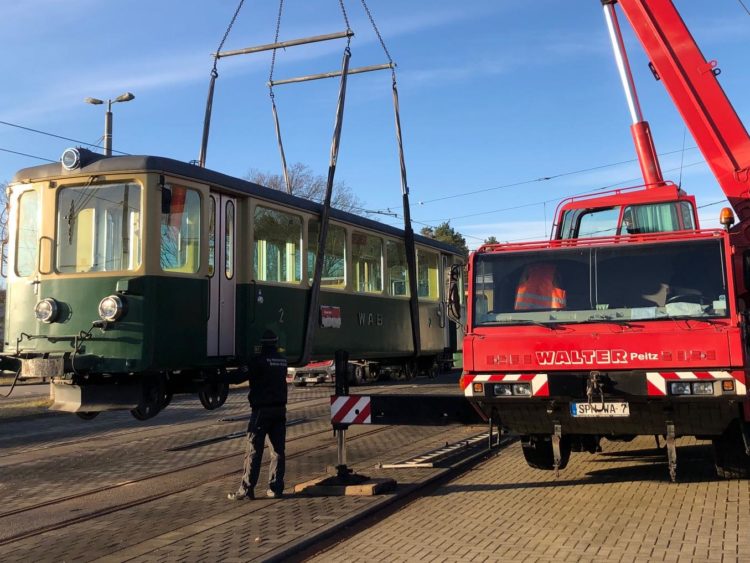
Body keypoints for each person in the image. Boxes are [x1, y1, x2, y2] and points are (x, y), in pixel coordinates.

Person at [228, 330, 288, 500]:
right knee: (278, 451)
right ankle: (276, 488)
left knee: (254, 450)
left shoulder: (258, 361)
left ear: (261, 344)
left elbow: (238, 377)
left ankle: (246, 489)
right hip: (280, 410)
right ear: (275, 343)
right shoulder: (282, 360)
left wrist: (220, 377)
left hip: (262, 411)